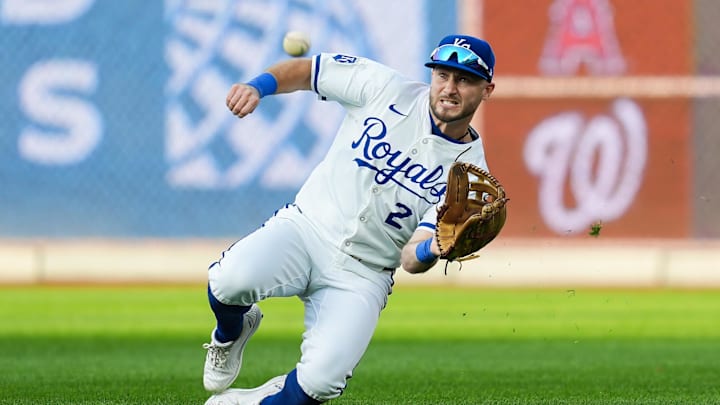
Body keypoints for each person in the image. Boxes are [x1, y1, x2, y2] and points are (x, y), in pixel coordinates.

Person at [202, 34, 496, 405]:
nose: (449, 88)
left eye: (465, 80)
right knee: (228, 281)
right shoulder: (385, 87)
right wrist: (257, 87)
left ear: (487, 89)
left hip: (364, 273)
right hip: (307, 229)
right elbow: (309, 71)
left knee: (320, 385)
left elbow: (408, 258)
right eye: (443, 75)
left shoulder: (467, 177)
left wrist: (432, 249)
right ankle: (231, 332)